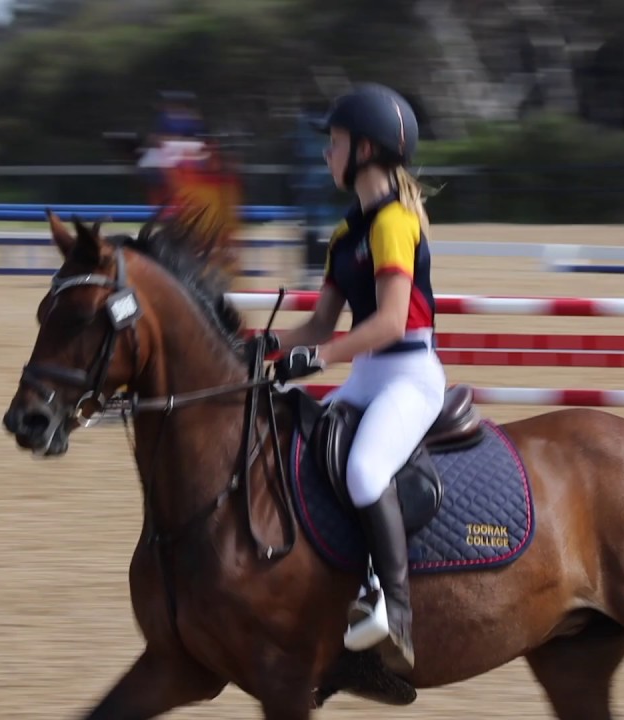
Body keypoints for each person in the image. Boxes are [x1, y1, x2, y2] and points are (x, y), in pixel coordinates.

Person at [251, 83, 442, 675]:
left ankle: (397, 613)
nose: (326, 155)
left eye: (333, 144)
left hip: (409, 375)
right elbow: (318, 323)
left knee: (363, 470)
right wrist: (262, 344)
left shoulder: (394, 224)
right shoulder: (345, 233)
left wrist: (323, 357)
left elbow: (388, 322)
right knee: (297, 450)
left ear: (364, 149)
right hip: (367, 372)